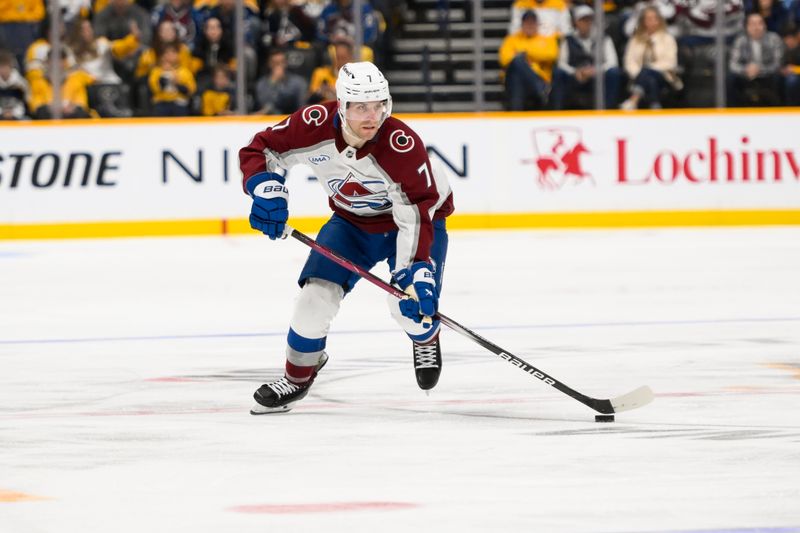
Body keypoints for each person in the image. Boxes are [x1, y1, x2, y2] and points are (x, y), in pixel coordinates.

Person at [239, 61, 454, 414]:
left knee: (410, 307)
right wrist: (267, 190)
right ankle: (297, 377)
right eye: (360, 107)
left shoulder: (401, 145)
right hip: (351, 224)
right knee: (312, 301)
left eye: (378, 105)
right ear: (341, 105)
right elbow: (261, 148)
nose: (372, 116)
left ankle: (425, 336)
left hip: (413, 224)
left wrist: (416, 272)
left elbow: (416, 213)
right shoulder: (313, 125)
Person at [551, 5, 622, 110]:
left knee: (614, 73)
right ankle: (557, 111)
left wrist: (596, 70)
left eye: (589, 20)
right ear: (576, 22)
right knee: (558, 72)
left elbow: (612, 62)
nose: (586, 23)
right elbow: (562, 63)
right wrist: (575, 72)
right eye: (582, 20)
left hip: (597, 77)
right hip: (575, 77)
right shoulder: (568, 39)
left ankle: (609, 110)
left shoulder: (604, 38)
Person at [620, 6, 682, 110]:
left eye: (655, 18)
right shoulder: (635, 40)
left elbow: (671, 63)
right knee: (650, 80)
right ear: (643, 21)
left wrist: (648, 69)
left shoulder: (667, 38)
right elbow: (629, 61)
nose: (652, 21)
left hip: (664, 77)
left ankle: (634, 100)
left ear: (659, 20)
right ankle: (655, 105)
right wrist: (639, 74)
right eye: (648, 18)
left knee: (648, 73)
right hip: (638, 77)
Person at [498, 9, 559, 110]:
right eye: (527, 22)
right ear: (522, 25)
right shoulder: (512, 39)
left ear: (537, 24)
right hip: (516, 81)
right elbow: (504, 59)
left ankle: (516, 116)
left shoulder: (545, 39)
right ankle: (541, 89)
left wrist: (525, 53)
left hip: (540, 78)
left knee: (518, 62)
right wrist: (529, 57)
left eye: (532, 22)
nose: (530, 25)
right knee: (517, 64)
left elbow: (551, 55)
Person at [727, 12, 784, 106]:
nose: (756, 27)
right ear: (746, 27)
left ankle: (780, 110)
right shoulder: (740, 40)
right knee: (730, 78)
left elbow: (778, 63)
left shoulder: (774, 39)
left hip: (768, 75)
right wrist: (745, 69)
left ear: (765, 25)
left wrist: (759, 69)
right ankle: (731, 110)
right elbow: (733, 64)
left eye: (760, 23)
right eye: (753, 24)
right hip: (746, 75)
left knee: (778, 77)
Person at [253, 49, 307, 115]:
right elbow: (264, 104)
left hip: (291, 119)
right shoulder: (262, 83)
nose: (279, 66)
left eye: (282, 62)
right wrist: (273, 82)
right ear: (269, 64)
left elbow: (301, 105)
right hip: (268, 120)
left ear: (286, 63)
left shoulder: (298, 82)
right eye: (275, 63)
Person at [148, 43, 196, 116]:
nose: (170, 55)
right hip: (162, 102)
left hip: (179, 103)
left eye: (173, 52)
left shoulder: (185, 71)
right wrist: (163, 77)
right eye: (167, 53)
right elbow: (154, 88)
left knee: (181, 110)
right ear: (162, 56)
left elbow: (191, 90)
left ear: (178, 55)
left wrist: (178, 84)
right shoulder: (156, 71)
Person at [0, 49, 30, 120]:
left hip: (18, 114)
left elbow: (26, 101)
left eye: (5, 67)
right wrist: (3, 112)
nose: (3, 70)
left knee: (27, 121)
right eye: (1, 67)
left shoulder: (20, 83)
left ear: (10, 67)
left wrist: (14, 113)